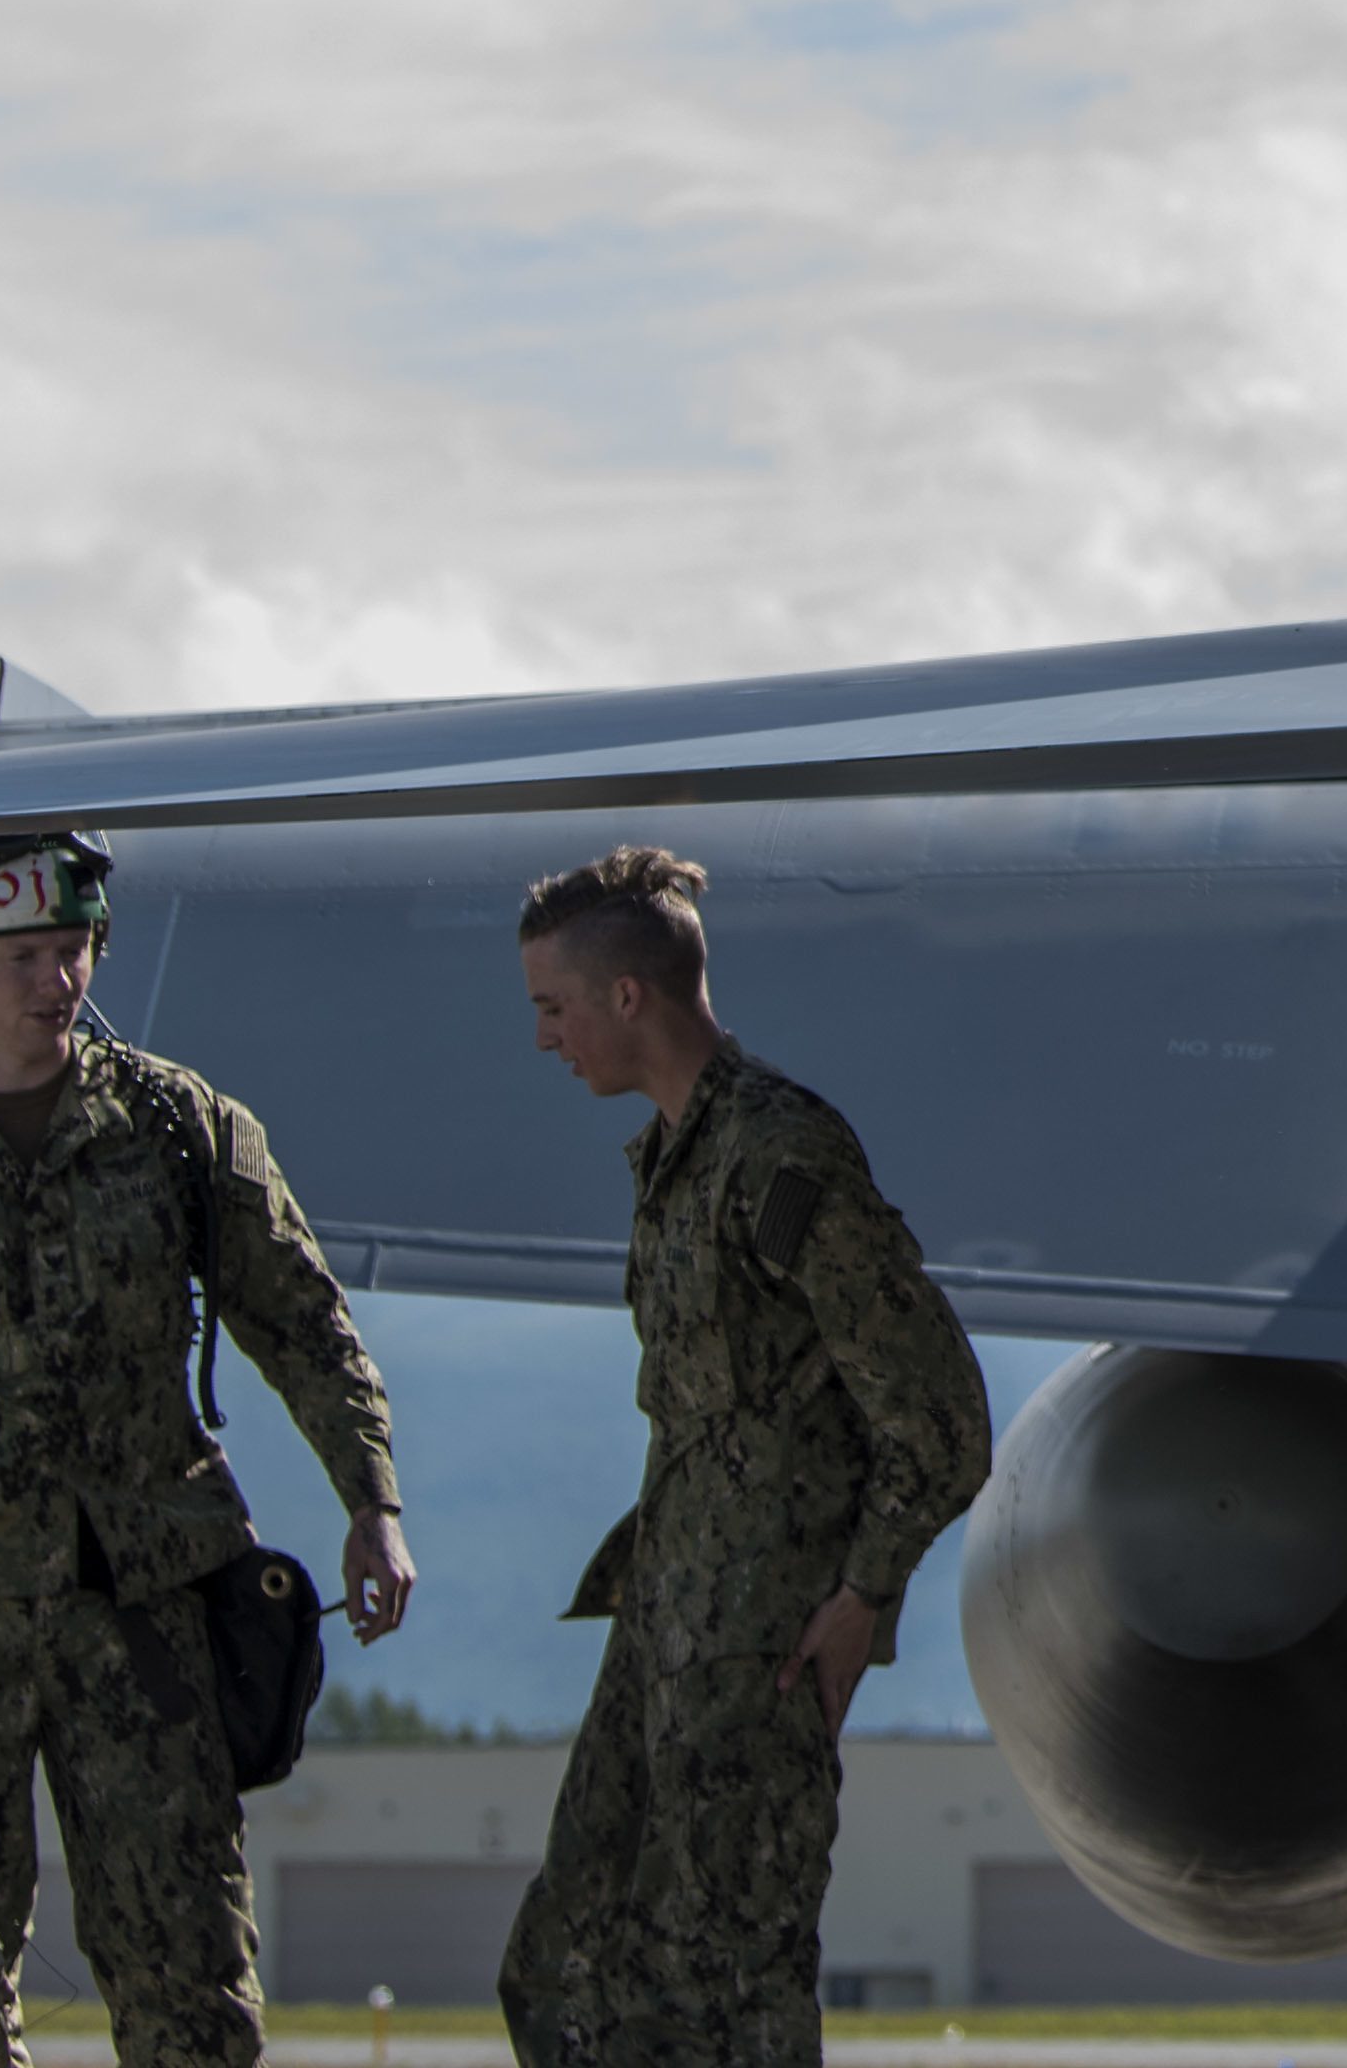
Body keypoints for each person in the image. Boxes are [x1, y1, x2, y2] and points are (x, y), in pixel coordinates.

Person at [0, 829, 418, 2068]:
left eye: (75, 950)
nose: (59, 979)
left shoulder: (179, 1128)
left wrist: (371, 1496)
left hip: (147, 1611)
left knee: (188, 1975)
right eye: (26, 955)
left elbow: (303, 1319)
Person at [499, 845, 996, 2068]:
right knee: (563, 1970)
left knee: (716, 2002)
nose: (544, 1040)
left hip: (759, 1655)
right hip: (667, 1633)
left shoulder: (780, 1155)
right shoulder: (678, 1159)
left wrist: (862, 1597)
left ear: (627, 997)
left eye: (553, 1009)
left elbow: (940, 1419)